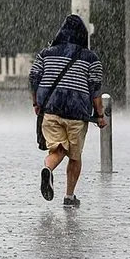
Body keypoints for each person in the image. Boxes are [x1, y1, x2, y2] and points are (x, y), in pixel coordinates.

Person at [29, 14, 107, 207]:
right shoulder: (91, 59)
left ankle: (48, 168)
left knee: (58, 149)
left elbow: (34, 79)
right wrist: (100, 115)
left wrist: (36, 103)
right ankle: (69, 197)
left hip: (51, 110)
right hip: (77, 114)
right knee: (74, 156)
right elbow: (95, 90)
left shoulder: (45, 54)